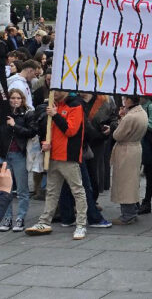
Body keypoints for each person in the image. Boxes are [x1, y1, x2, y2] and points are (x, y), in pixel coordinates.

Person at [25, 91, 89, 240]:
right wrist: (46, 143)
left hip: (68, 157)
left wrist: (55, 115)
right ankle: (44, 221)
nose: (54, 93)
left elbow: (70, 130)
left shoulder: (75, 106)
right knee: (52, 191)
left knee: (77, 191)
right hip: (54, 155)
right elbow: (51, 130)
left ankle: (81, 224)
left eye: (58, 90)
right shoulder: (55, 105)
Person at [0, 88, 36, 231]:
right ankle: (7, 217)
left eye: (18, 98)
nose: (15, 100)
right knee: (5, 189)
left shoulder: (27, 114)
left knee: (22, 189)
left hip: (19, 155)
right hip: (4, 156)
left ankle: (20, 217)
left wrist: (15, 125)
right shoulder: (3, 113)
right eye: (12, 98)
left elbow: (31, 132)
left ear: (22, 100)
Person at [109, 96, 148, 225]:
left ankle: (128, 215)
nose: (123, 100)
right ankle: (132, 211)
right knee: (132, 181)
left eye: (125, 98)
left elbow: (117, 135)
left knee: (124, 183)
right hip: (135, 148)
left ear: (129, 100)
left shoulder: (130, 117)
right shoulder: (142, 112)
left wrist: (120, 120)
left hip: (126, 150)